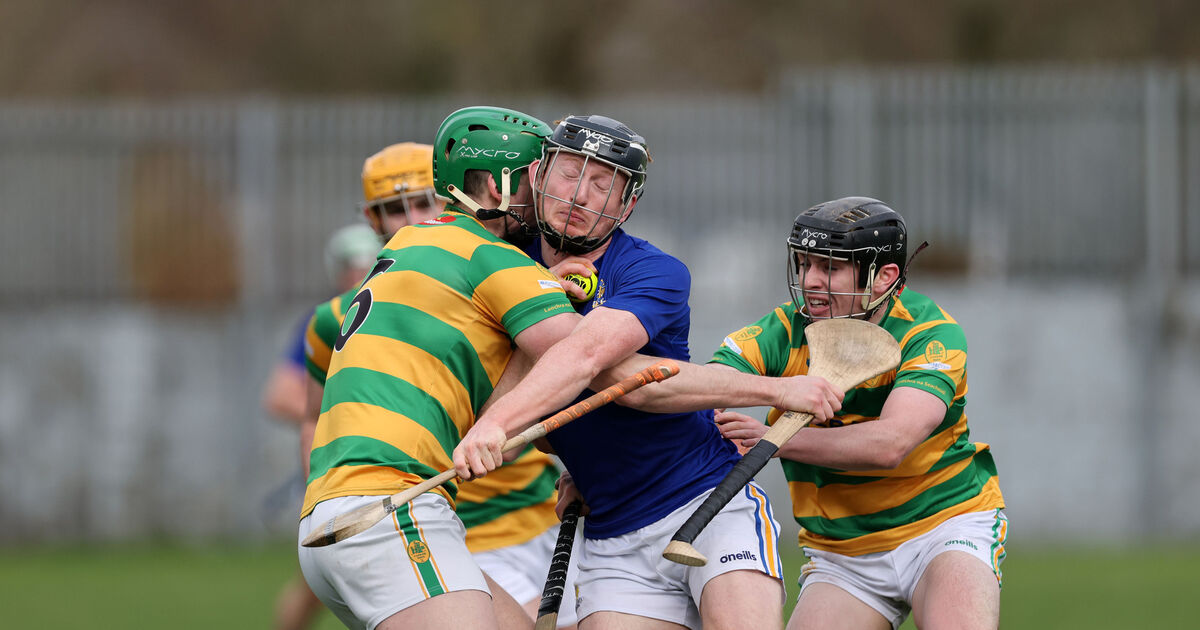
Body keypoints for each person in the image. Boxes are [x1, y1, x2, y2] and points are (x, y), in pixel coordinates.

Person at [453, 114, 844, 630]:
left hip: (706, 499)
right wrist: (537, 299)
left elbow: (599, 366)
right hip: (612, 533)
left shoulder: (654, 271)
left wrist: (777, 389)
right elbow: (523, 419)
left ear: (627, 205)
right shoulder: (503, 272)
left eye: (603, 184)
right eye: (570, 174)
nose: (580, 196)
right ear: (540, 175)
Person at [295, 106, 601, 630]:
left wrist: (542, 287)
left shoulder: (411, 251)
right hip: (392, 511)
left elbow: (498, 415)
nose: (551, 198)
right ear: (500, 186)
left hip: (350, 519)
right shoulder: (490, 259)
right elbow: (590, 360)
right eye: (537, 179)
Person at [709, 197, 1008, 630]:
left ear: (885, 277)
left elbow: (890, 443)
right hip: (842, 553)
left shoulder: (931, 333)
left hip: (944, 527)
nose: (810, 281)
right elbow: (703, 388)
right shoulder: (782, 330)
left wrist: (773, 440)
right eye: (805, 264)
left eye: (829, 268)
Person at [263, 222, 381, 630]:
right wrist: (347, 415)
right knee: (319, 584)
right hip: (341, 466)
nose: (360, 273)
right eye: (352, 265)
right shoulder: (327, 320)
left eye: (369, 262)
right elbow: (280, 396)